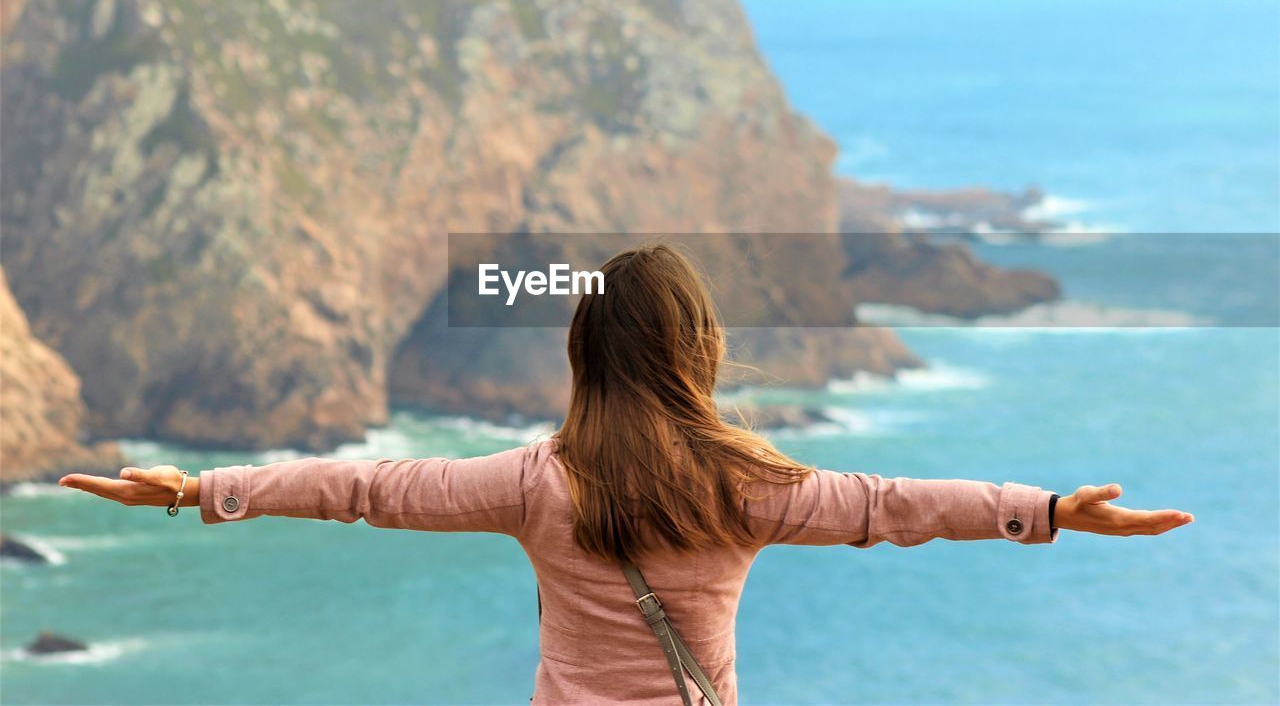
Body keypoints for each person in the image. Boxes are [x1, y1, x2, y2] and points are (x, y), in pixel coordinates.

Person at [60, 243, 1194, 705]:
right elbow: (891, 508)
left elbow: (365, 486)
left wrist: (197, 488)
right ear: (695, 349)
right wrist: (1042, 511)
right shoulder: (745, 488)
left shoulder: (533, 481)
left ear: (581, 351)